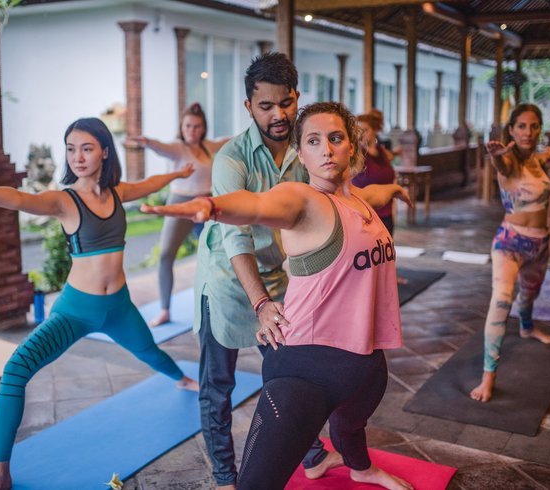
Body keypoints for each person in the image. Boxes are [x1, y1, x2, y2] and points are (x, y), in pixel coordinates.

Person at [142, 101, 413, 490]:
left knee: (351, 429)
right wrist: (213, 206)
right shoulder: (303, 200)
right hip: (306, 372)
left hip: (366, 366)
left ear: (351, 145)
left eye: (335, 138)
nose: (326, 149)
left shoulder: (355, 200)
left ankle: (360, 468)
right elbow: (256, 205)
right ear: (301, 153)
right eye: (313, 141)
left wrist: (394, 188)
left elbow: (373, 194)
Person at [0, 117, 198, 490]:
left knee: (150, 351)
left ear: (105, 151)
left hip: (119, 307)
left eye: (87, 148)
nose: (78, 157)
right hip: (76, 312)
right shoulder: (64, 200)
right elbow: (19, 198)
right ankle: (0, 472)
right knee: (15, 370)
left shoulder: (117, 193)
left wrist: (178, 174)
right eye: (71, 149)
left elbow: (149, 184)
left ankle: (183, 379)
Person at [183, 52, 339, 489]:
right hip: (225, 282)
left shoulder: (304, 151)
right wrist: (261, 303)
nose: (278, 115)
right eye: (266, 106)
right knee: (218, 387)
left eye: (286, 103)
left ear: (297, 98)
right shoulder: (231, 159)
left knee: (293, 377)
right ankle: (224, 477)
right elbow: (236, 238)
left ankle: (312, 455)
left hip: (274, 280)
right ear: (248, 106)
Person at [470, 103, 550, 403]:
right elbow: (503, 165)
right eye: (521, 126)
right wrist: (497, 155)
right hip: (509, 242)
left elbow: (540, 157)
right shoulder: (508, 161)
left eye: (534, 126)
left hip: (540, 244)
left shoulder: (537, 160)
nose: (528, 132)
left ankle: (527, 327)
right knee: (502, 300)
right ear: (511, 130)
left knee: (530, 294)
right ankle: (488, 376)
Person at [130, 103, 230, 327]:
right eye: (188, 126)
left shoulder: (207, 146)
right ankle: (165, 309)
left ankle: (219, 302)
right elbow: (161, 147)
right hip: (180, 203)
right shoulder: (177, 148)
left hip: (205, 204)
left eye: (197, 126)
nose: (192, 131)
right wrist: (147, 142)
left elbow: (226, 140)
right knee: (166, 255)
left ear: (203, 128)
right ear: (181, 127)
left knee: (218, 254)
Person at [352, 110, 397, 234]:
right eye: (357, 130)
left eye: (365, 130)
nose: (360, 134)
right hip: (364, 216)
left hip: (386, 215)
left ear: (374, 130)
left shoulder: (382, 152)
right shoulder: (356, 154)